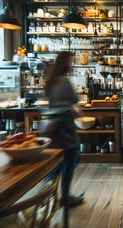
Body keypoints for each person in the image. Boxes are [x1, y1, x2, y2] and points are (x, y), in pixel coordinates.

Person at [43, 51, 84, 207]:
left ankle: (48, 195)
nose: (72, 64)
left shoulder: (51, 80)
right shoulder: (64, 81)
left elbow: (55, 103)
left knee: (56, 161)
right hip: (65, 124)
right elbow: (74, 99)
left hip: (53, 124)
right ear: (66, 63)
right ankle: (65, 197)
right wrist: (74, 109)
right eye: (71, 61)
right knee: (72, 156)